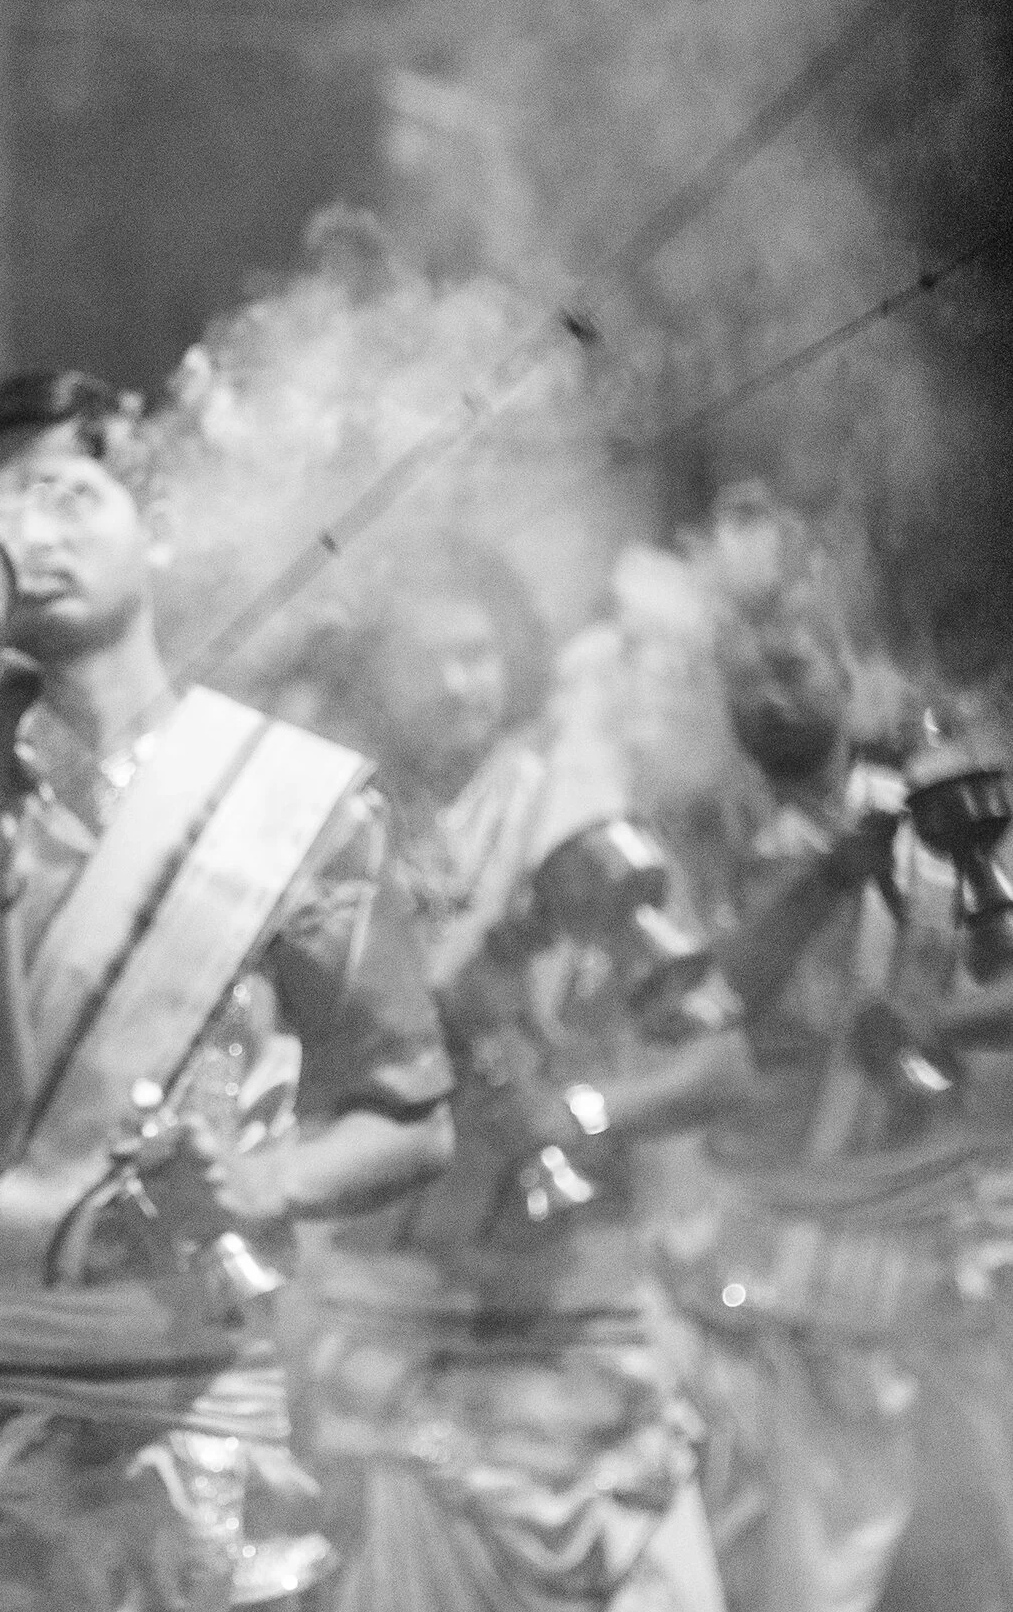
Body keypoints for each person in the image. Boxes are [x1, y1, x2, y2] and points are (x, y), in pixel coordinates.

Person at [0, 370, 456, 1612]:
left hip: (183, 1439)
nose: (28, 529)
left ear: (154, 521)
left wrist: (265, 1181)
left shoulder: (292, 802)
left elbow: (413, 1117)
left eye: (64, 491)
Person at [288, 535, 742, 1612]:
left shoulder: (571, 822)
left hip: (578, 1324)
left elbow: (720, 1057)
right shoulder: (320, 839)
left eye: (482, 655)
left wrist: (579, 1107)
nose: (463, 685)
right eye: (431, 658)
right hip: (390, 1333)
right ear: (372, 674)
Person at [650, 485, 1013, 1612]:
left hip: (958, 1227)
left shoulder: (945, 802)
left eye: (795, 666)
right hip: (794, 1245)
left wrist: (937, 1026)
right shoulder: (696, 839)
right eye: (747, 677)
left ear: (848, 668)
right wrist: (824, 879)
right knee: (820, 1564)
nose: (771, 693)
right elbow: (691, 1005)